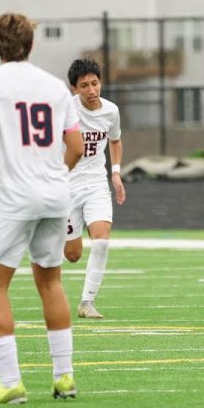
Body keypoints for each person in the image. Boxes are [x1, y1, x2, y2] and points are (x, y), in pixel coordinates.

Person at [0, 12, 85, 404]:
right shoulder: (54, 87)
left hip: (15, 196)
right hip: (56, 194)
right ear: (31, 43)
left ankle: (11, 381)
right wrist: (51, 174)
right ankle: (64, 378)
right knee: (50, 282)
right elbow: (77, 147)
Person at [62, 58, 126, 319]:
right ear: (74, 89)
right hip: (66, 186)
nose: (91, 90)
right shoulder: (65, 110)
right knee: (73, 254)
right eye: (84, 85)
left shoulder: (111, 111)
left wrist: (116, 172)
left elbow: (116, 140)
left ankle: (87, 302)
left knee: (101, 240)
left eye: (95, 83)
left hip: (96, 184)